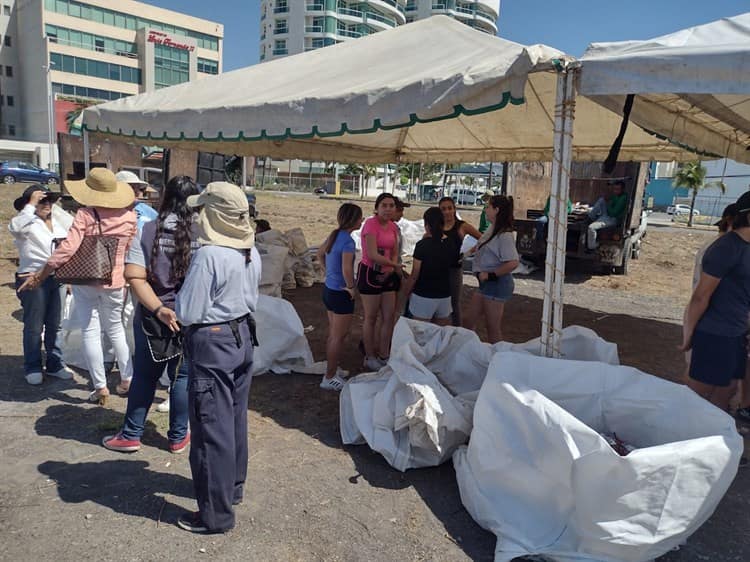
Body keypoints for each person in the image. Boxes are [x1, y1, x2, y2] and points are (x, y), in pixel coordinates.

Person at [174, 181, 261, 534]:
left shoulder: (210, 254)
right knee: (235, 419)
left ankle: (215, 515)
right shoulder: (249, 250)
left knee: (212, 428)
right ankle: (232, 490)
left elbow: (189, 310)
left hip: (213, 341)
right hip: (242, 335)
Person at [19, 168, 137, 404]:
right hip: (115, 281)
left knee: (90, 331)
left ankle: (100, 386)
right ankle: (127, 379)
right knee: (115, 330)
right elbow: (131, 249)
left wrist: (44, 272)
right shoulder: (129, 216)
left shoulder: (85, 214)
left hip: (87, 280)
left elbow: (68, 248)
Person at [102, 176, 200, 454]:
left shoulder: (148, 230)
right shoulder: (203, 234)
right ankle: (178, 437)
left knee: (145, 376)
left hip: (153, 317)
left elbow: (135, 276)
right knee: (182, 378)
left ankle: (131, 434)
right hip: (190, 317)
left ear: (165, 197)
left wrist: (158, 308)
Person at [680, 191, 750, 412]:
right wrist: (689, 335)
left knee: (726, 391)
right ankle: (671, 438)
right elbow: (701, 296)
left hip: (737, 332)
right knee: (695, 395)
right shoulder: (726, 247)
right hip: (715, 332)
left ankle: (710, 438)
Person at [9, 185, 73, 385]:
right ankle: (33, 366)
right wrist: (31, 204)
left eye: (49, 201)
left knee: (56, 324)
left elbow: (68, 243)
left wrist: (69, 278)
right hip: (32, 278)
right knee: (34, 325)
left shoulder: (58, 222)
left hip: (58, 278)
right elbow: (15, 227)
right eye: (41, 201)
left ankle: (55, 363)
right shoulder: (25, 223)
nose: (46, 204)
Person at [317, 203, 363, 390]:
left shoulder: (334, 235)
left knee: (334, 334)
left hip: (329, 291)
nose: (362, 220)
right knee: (338, 336)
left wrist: (328, 272)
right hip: (341, 294)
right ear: (354, 220)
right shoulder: (348, 242)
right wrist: (351, 287)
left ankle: (332, 368)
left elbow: (320, 254)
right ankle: (328, 377)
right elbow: (346, 269)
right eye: (360, 217)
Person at [464, 195, 519, 343]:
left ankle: (498, 358)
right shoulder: (492, 229)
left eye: (488, 207)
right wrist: (467, 253)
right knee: (468, 321)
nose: (485, 209)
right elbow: (483, 243)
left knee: (492, 328)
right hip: (486, 284)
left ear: (496, 210)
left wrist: (491, 275)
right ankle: (470, 351)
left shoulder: (504, 235)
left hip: (496, 284)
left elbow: (513, 262)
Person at [358, 193, 404, 371]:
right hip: (370, 273)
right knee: (370, 317)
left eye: (391, 206)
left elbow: (394, 250)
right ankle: (369, 356)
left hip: (388, 274)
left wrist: (391, 269)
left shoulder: (393, 227)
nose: (388, 209)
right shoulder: (370, 224)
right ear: (377, 208)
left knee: (389, 316)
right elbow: (372, 254)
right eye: (384, 205)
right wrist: (395, 265)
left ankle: (384, 354)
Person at [401, 207, 454, 325]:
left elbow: (415, 274)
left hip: (423, 295)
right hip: (444, 295)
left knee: (421, 334)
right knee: (441, 334)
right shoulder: (450, 243)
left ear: (427, 225)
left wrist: (406, 290)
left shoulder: (422, 245)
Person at [438, 196, 483, 326]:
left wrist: (469, 252)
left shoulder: (462, 226)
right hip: (437, 269)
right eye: (443, 209)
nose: (447, 211)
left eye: (449, 208)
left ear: (454, 209)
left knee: (454, 303)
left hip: (454, 269)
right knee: (440, 301)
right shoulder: (437, 226)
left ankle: (458, 331)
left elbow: (483, 239)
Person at [587, 180, 628, 250]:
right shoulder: (615, 195)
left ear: (622, 189)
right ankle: (590, 217)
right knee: (601, 200)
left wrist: (609, 204)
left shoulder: (623, 198)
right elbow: (609, 201)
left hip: (614, 219)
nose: (615, 191)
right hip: (608, 216)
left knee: (591, 228)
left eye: (617, 189)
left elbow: (613, 212)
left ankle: (592, 246)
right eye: (614, 189)